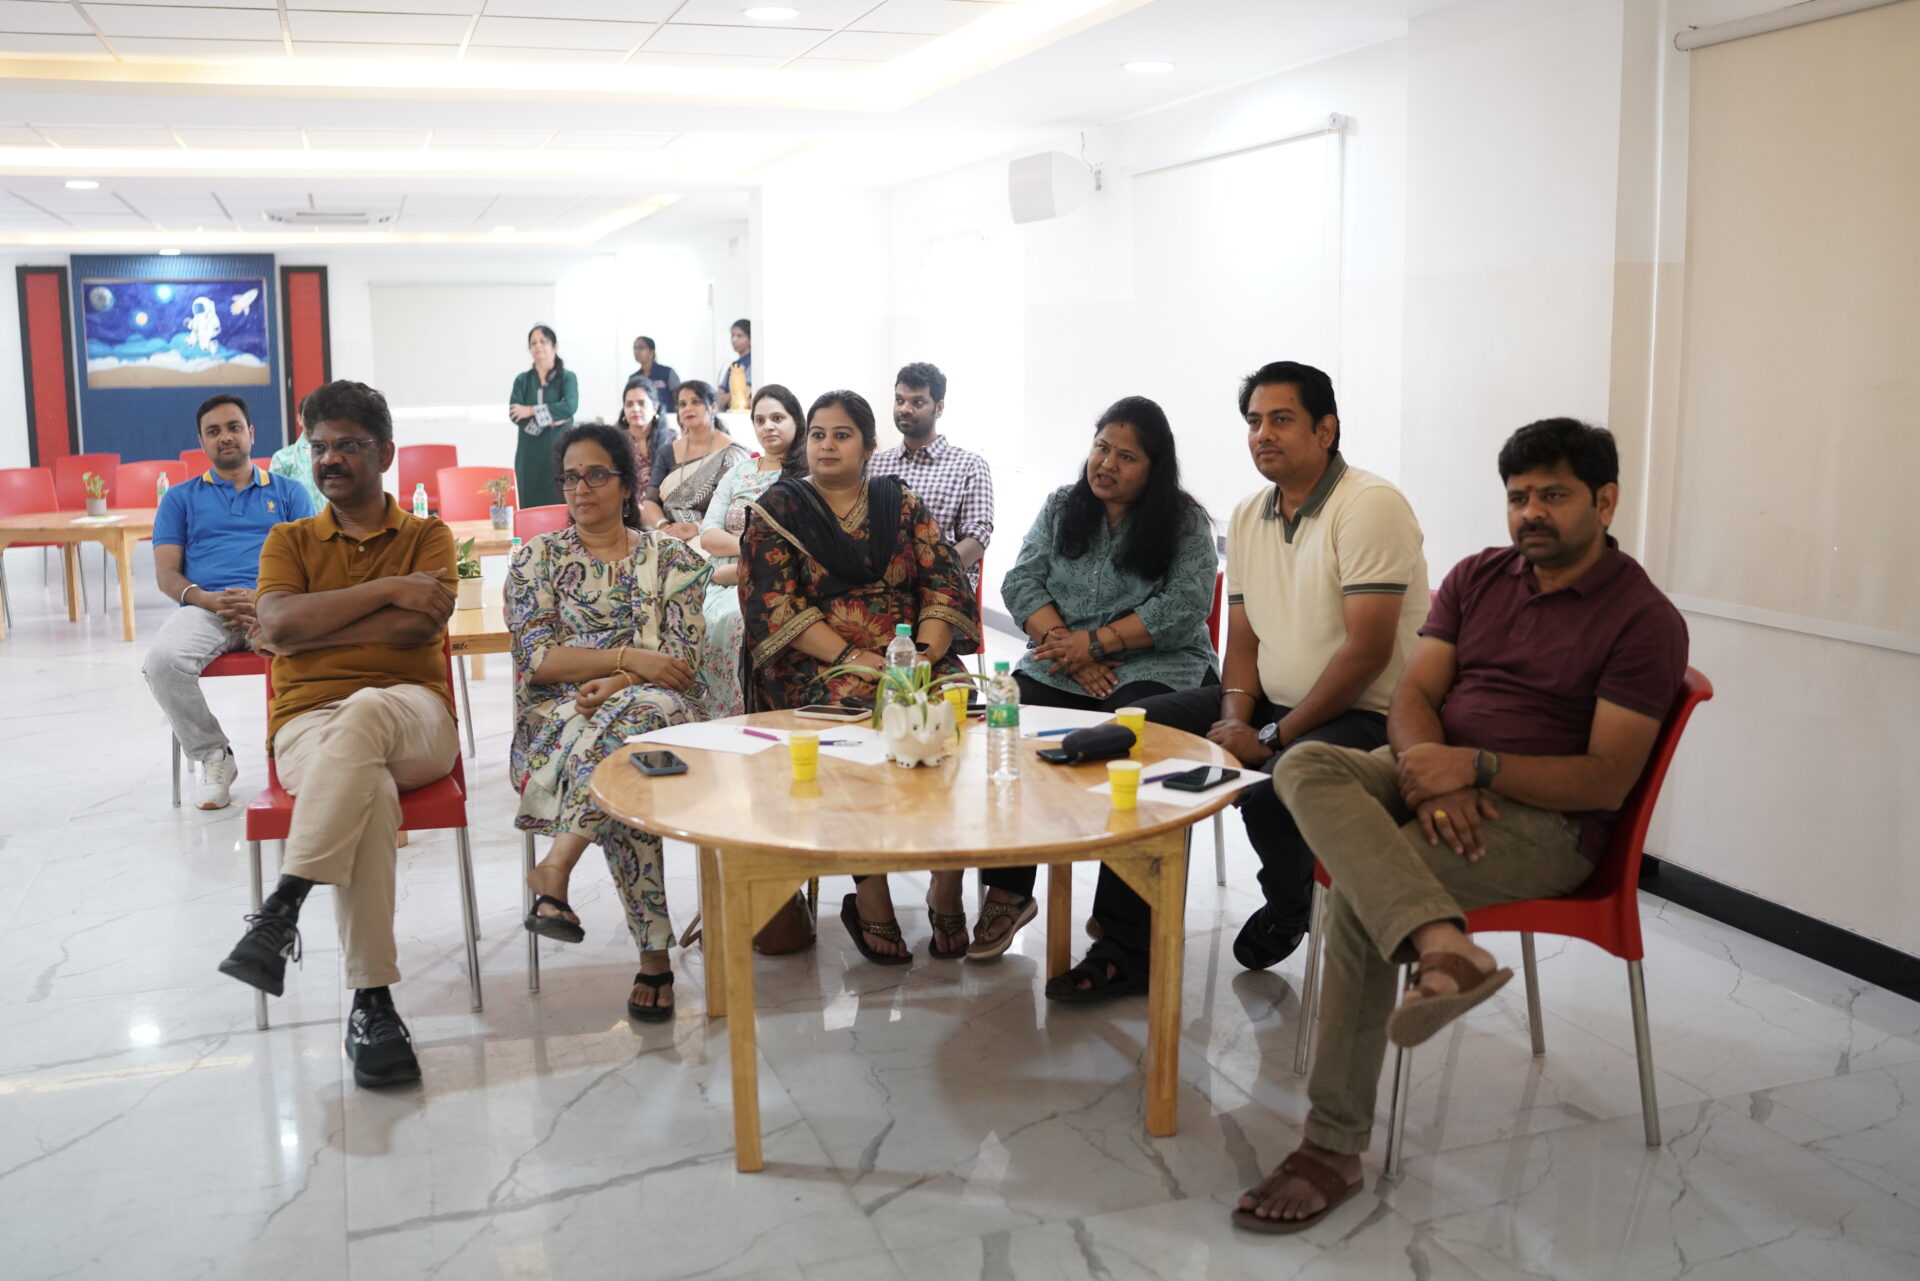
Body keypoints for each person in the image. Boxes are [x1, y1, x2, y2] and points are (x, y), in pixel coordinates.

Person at [1236, 418, 1688, 1234]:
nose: (1530, 514)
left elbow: (1605, 777)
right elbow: (1413, 696)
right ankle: (1445, 944)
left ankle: (1332, 1147)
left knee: (1361, 901)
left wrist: (1472, 770)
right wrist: (1430, 771)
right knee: (1300, 765)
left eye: (1553, 494)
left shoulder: (1643, 619)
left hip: (1543, 822)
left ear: (1606, 499)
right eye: (1518, 497)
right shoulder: (1480, 575)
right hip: (1435, 772)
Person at [1049, 361, 1428, 1001]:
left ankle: (1292, 902)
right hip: (1273, 701)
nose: (1262, 435)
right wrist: (1235, 715)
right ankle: (1125, 945)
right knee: (1135, 737)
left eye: (1281, 420)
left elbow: (1367, 652)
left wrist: (1272, 733)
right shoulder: (1251, 513)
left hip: (1366, 713)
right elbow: (1243, 640)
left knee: (1274, 781)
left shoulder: (1370, 505)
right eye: (1254, 422)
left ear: (1326, 429)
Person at [215, 379, 460, 1090]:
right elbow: (280, 623)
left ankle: (282, 905)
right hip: (307, 726)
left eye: (347, 445)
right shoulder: (288, 539)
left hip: (414, 711)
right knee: (369, 788)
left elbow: (418, 628)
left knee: (368, 712)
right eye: (318, 446)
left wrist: (311, 624)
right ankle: (373, 1003)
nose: (329, 460)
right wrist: (386, 590)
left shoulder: (428, 534)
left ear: (385, 452)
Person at [739, 390, 980, 963]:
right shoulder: (779, 509)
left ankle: (947, 873)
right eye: (818, 434)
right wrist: (855, 658)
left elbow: (943, 582)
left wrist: (921, 655)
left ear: (870, 446)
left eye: (842, 434)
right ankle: (869, 888)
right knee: (855, 719)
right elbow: (776, 605)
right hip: (822, 658)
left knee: (961, 709)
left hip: (911, 650)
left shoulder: (899, 503)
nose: (827, 445)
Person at [976, 396, 1216, 959]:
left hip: (1160, 662)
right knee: (1011, 725)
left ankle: (1123, 917)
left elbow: (1185, 606)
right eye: (1101, 447)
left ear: (1155, 468)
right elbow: (1021, 582)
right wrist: (1072, 648)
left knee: (1134, 734)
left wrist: (1096, 644)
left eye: (1125, 456)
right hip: (1063, 658)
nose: (1106, 464)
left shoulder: (1182, 521)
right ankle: (1009, 892)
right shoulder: (1063, 507)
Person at [509, 422, 711, 1021]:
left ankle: (556, 868)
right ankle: (653, 958)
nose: (580, 488)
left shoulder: (671, 557)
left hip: (666, 708)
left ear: (627, 484)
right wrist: (628, 659)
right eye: (570, 477)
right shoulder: (536, 559)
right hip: (558, 721)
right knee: (630, 760)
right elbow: (539, 659)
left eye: (597, 474)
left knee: (637, 718)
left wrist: (625, 679)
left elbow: (683, 660)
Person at [145, 393, 315, 809]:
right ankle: (213, 755)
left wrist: (265, 598)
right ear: (201, 442)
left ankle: (306, 754)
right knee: (162, 663)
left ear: (251, 434)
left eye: (234, 427)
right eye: (214, 431)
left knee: (326, 651)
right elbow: (167, 575)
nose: (225, 437)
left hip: (275, 606)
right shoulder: (179, 499)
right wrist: (206, 599)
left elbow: (312, 565)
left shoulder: (289, 492)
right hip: (206, 610)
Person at [697, 384, 803, 719]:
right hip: (717, 571)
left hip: (766, 573)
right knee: (681, 613)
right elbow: (709, 533)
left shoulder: (805, 477)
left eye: (777, 418)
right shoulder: (739, 471)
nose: (767, 426)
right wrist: (748, 547)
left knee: (733, 618)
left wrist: (745, 562)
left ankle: (735, 716)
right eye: (760, 420)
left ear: (796, 421)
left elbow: (788, 545)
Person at [868, 361, 993, 588]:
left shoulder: (969, 466)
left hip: (943, 585)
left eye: (917, 402)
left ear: (939, 407)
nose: (905, 408)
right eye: (899, 400)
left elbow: (977, 537)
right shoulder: (875, 465)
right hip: (880, 585)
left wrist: (933, 574)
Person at [656, 380, 746, 541]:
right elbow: (650, 500)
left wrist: (696, 527)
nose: (688, 408)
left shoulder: (733, 452)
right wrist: (664, 528)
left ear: (713, 408)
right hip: (670, 533)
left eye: (696, 402)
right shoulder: (666, 452)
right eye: (682, 404)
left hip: (714, 534)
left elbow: (737, 508)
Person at [508, 324, 578, 510]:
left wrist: (531, 410)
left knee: (561, 502)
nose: (538, 345)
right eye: (533, 343)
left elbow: (570, 407)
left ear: (555, 346)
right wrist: (554, 416)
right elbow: (515, 414)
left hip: (560, 450)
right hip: (529, 453)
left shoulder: (567, 378)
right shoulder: (522, 380)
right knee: (529, 504)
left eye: (543, 341)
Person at [619, 375, 676, 531]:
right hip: (625, 515)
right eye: (629, 404)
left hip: (665, 517)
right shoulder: (615, 442)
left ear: (655, 407)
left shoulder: (671, 440)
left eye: (642, 403)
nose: (635, 409)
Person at [268, 415, 326, 511]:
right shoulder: (283, 458)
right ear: (299, 418)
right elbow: (273, 503)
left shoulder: (337, 457)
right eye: (311, 414)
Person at [630, 335, 680, 412]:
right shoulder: (634, 378)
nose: (637, 351)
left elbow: (679, 398)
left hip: (668, 418)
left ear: (651, 352)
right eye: (635, 348)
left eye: (641, 348)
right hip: (644, 419)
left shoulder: (667, 372)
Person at [718, 318, 751, 412]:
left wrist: (733, 396)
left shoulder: (754, 362)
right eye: (732, 335)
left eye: (739, 336)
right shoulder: (733, 366)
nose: (734, 339)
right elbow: (718, 398)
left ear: (750, 338)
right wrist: (734, 395)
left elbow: (745, 395)